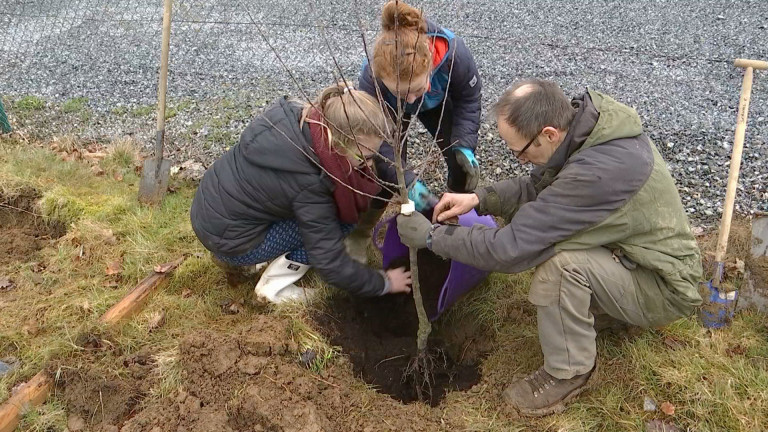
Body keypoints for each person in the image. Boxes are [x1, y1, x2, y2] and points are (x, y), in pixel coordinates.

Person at [396, 79, 703, 416]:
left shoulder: (597, 174)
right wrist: (479, 198)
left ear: (549, 134)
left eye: (520, 150)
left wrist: (431, 238)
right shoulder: (589, 132)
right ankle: (601, 312)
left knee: (560, 267)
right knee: (561, 255)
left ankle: (569, 372)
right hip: (635, 259)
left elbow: (512, 249)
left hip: (663, 286)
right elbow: (539, 186)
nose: (519, 159)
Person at [190, 83, 412, 302]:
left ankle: (250, 255)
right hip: (231, 241)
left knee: (322, 215)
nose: (370, 163)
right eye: (364, 156)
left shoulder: (299, 120)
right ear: (338, 144)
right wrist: (385, 283)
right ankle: (274, 286)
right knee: (341, 222)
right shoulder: (311, 183)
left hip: (210, 216)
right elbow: (329, 261)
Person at [346, 0, 483, 262]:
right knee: (386, 173)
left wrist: (464, 143)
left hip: (439, 103)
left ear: (430, 63)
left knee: (460, 164)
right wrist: (406, 181)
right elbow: (376, 136)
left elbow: (469, 99)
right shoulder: (372, 76)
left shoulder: (454, 54)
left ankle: (451, 214)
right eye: (401, 92)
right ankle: (361, 232)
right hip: (389, 112)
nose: (410, 99)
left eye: (417, 88)